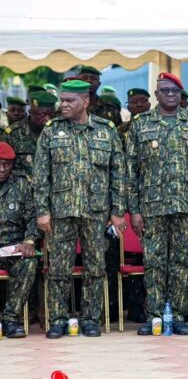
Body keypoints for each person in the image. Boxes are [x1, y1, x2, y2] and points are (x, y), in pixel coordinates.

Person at [34, 79, 126, 339]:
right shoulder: (52, 130)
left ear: (85, 102)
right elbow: (41, 176)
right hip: (61, 210)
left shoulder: (106, 130)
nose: (63, 105)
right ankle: (58, 319)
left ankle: (90, 319)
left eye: (69, 100)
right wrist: (43, 210)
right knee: (59, 269)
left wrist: (118, 211)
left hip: (96, 210)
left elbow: (119, 173)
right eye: (62, 100)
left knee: (95, 268)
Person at [126, 73, 188, 335]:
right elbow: (130, 171)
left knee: (181, 262)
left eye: (175, 91)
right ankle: (155, 315)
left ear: (181, 95)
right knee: (154, 262)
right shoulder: (141, 125)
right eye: (164, 90)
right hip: (152, 206)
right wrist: (135, 209)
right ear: (156, 95)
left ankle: (177, 314)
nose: (170, 95)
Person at [0, 142, 40, 338]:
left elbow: (34, 217)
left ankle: (10, 319)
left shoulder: (22, 183)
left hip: (12, 247)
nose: (2, 169)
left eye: (6, 164)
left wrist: (30, 241)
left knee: (29, 262)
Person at [3, 92, 56, 178]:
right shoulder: (13, 133)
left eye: (51, 115)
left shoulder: (59, 133)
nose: (47, 119)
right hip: (20, 188)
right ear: (31, 113)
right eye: (42, 115)